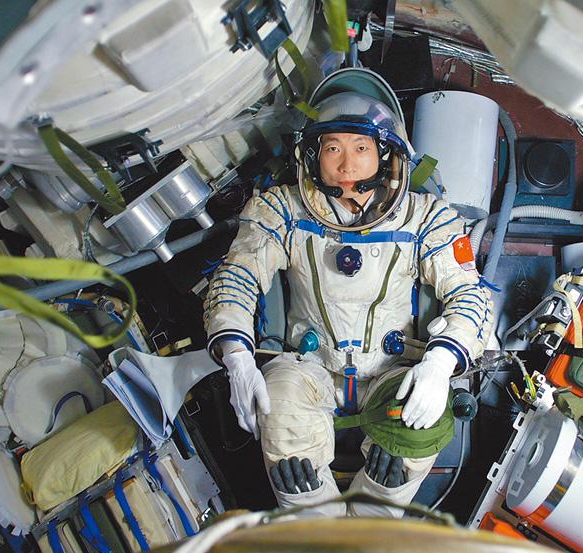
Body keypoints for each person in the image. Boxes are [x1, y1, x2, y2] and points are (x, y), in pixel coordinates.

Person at [204, 68, 494, 517]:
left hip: (393, 370)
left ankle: (374, 517)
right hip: (309, 368)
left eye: (361, 148)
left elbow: (470, 295)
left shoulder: (426, 217)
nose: (346, 165)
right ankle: (320, 529)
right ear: (312, 156)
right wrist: (237, 358)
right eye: (333, 148)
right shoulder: (279, 209)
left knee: (418, 434)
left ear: (385, 154)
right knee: (281, 423)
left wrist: (440, 365)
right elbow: (236, 277)